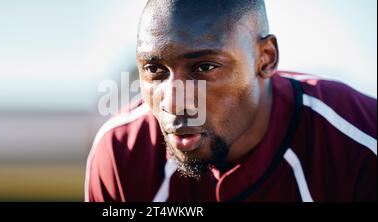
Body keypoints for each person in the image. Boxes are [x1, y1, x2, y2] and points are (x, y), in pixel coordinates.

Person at [85, 0, 377, 202]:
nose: (173, 102)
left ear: (266, 58)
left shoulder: (360, 141)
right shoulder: (122, 151)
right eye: (154, 70)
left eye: (204, 67)